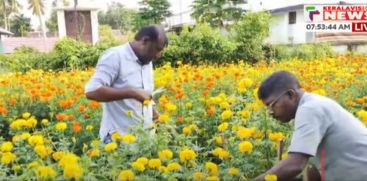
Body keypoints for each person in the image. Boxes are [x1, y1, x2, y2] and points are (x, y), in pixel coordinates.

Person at [254, 71, 367, 181]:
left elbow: (294, 165)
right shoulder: (312, 104)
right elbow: (313, 167)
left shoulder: (309, 109)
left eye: (272, 105)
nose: (270, 112)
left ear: (291, 95)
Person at [85, 25, 168, 144]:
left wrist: (156, 115)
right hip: (119, 144)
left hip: (145, 142)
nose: (158, 55)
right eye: (157, 49)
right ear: (145, 41)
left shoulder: (146, 61)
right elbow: (92, 91)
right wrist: (132, 93)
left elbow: (144, 95)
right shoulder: (115, 56)